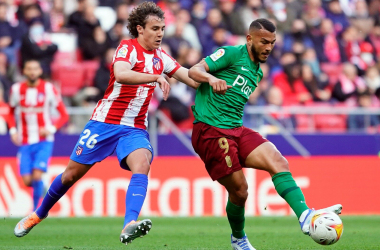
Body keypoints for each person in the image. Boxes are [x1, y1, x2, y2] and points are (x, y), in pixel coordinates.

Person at [14, 1, 199, 245]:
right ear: (140, 29)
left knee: (142, 164)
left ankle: (129, 224)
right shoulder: (127, 48)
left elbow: (191, 78)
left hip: (134, 128)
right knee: (70, 176)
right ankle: (38, 214)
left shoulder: (161, 57)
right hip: (104, 123)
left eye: (163, 28)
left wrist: (217, 79)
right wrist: (156, 77)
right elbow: (122, 73)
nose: (160, 33)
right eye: (155, 28)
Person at [188, 18, 342, 250]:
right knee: (240, 191)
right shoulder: (230, 54)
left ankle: (305, 217)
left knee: (278, 161)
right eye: (263, 42)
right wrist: (211, 78)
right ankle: (238, 239)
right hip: (210, 130)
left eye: (272, 42)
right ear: (249, 38)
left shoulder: (257, 72)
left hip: (235, 129)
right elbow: (194, 70)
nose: (268, 47)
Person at [7, 59, 68, 211]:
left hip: (44, 140)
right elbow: (10, 111)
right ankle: (42, 187)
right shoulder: (16, 89)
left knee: (36, 176)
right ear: (24, 71)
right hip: (25, 140)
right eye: (29, 68)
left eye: (35, 68)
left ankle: (37, 211)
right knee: (27, 181)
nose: (32, 71)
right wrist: (13, 130)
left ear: (40, 71)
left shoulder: (48, 89)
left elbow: (64, 115)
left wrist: (51, 129)